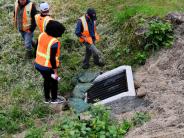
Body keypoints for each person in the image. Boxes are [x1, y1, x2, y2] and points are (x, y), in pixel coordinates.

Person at [34, 20, 65, 104]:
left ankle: (47, 99)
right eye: (60, 33)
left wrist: (35, 59)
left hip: (38, 64)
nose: (61, 35)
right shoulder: (54, 43)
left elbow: (36, 48)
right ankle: (54, 99)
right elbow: (52, 59)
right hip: (47, 67)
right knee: (54, 82)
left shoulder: (41, 35)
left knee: (47, 80)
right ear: (55, 32)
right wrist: (55, 72)